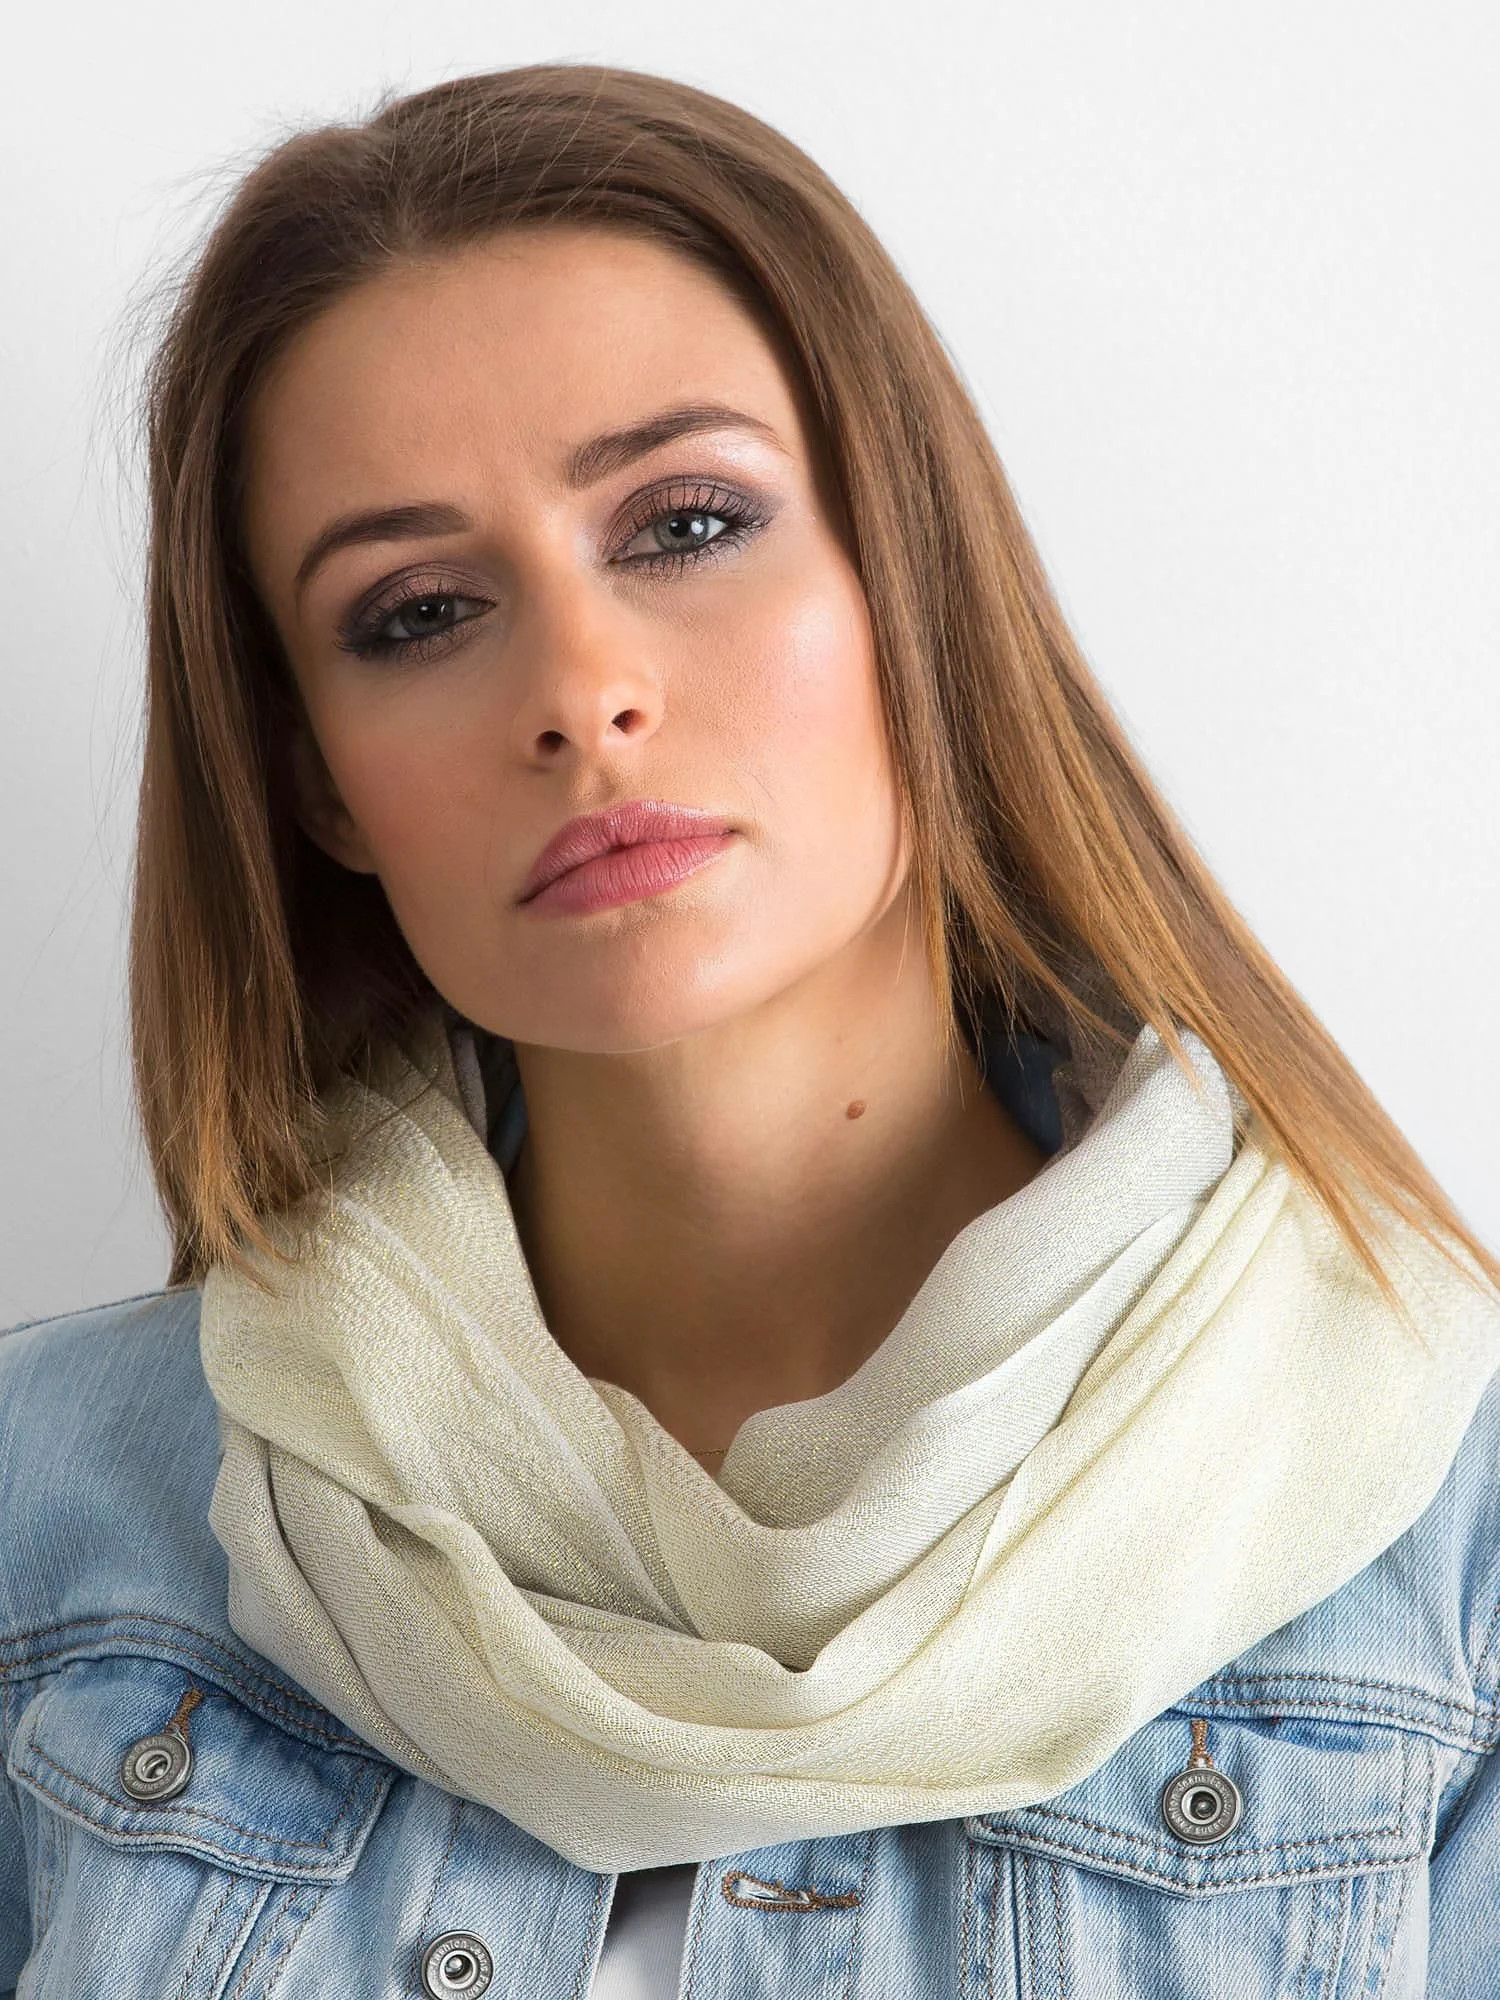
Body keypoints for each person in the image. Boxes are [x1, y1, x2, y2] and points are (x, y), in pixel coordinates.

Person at [2, 62, 1497, 2000]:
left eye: (686, 521)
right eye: (418, 612)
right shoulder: (57, 1522)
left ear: (910, 578)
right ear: (317, 782)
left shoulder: (1447, 1533)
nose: (582, 687)